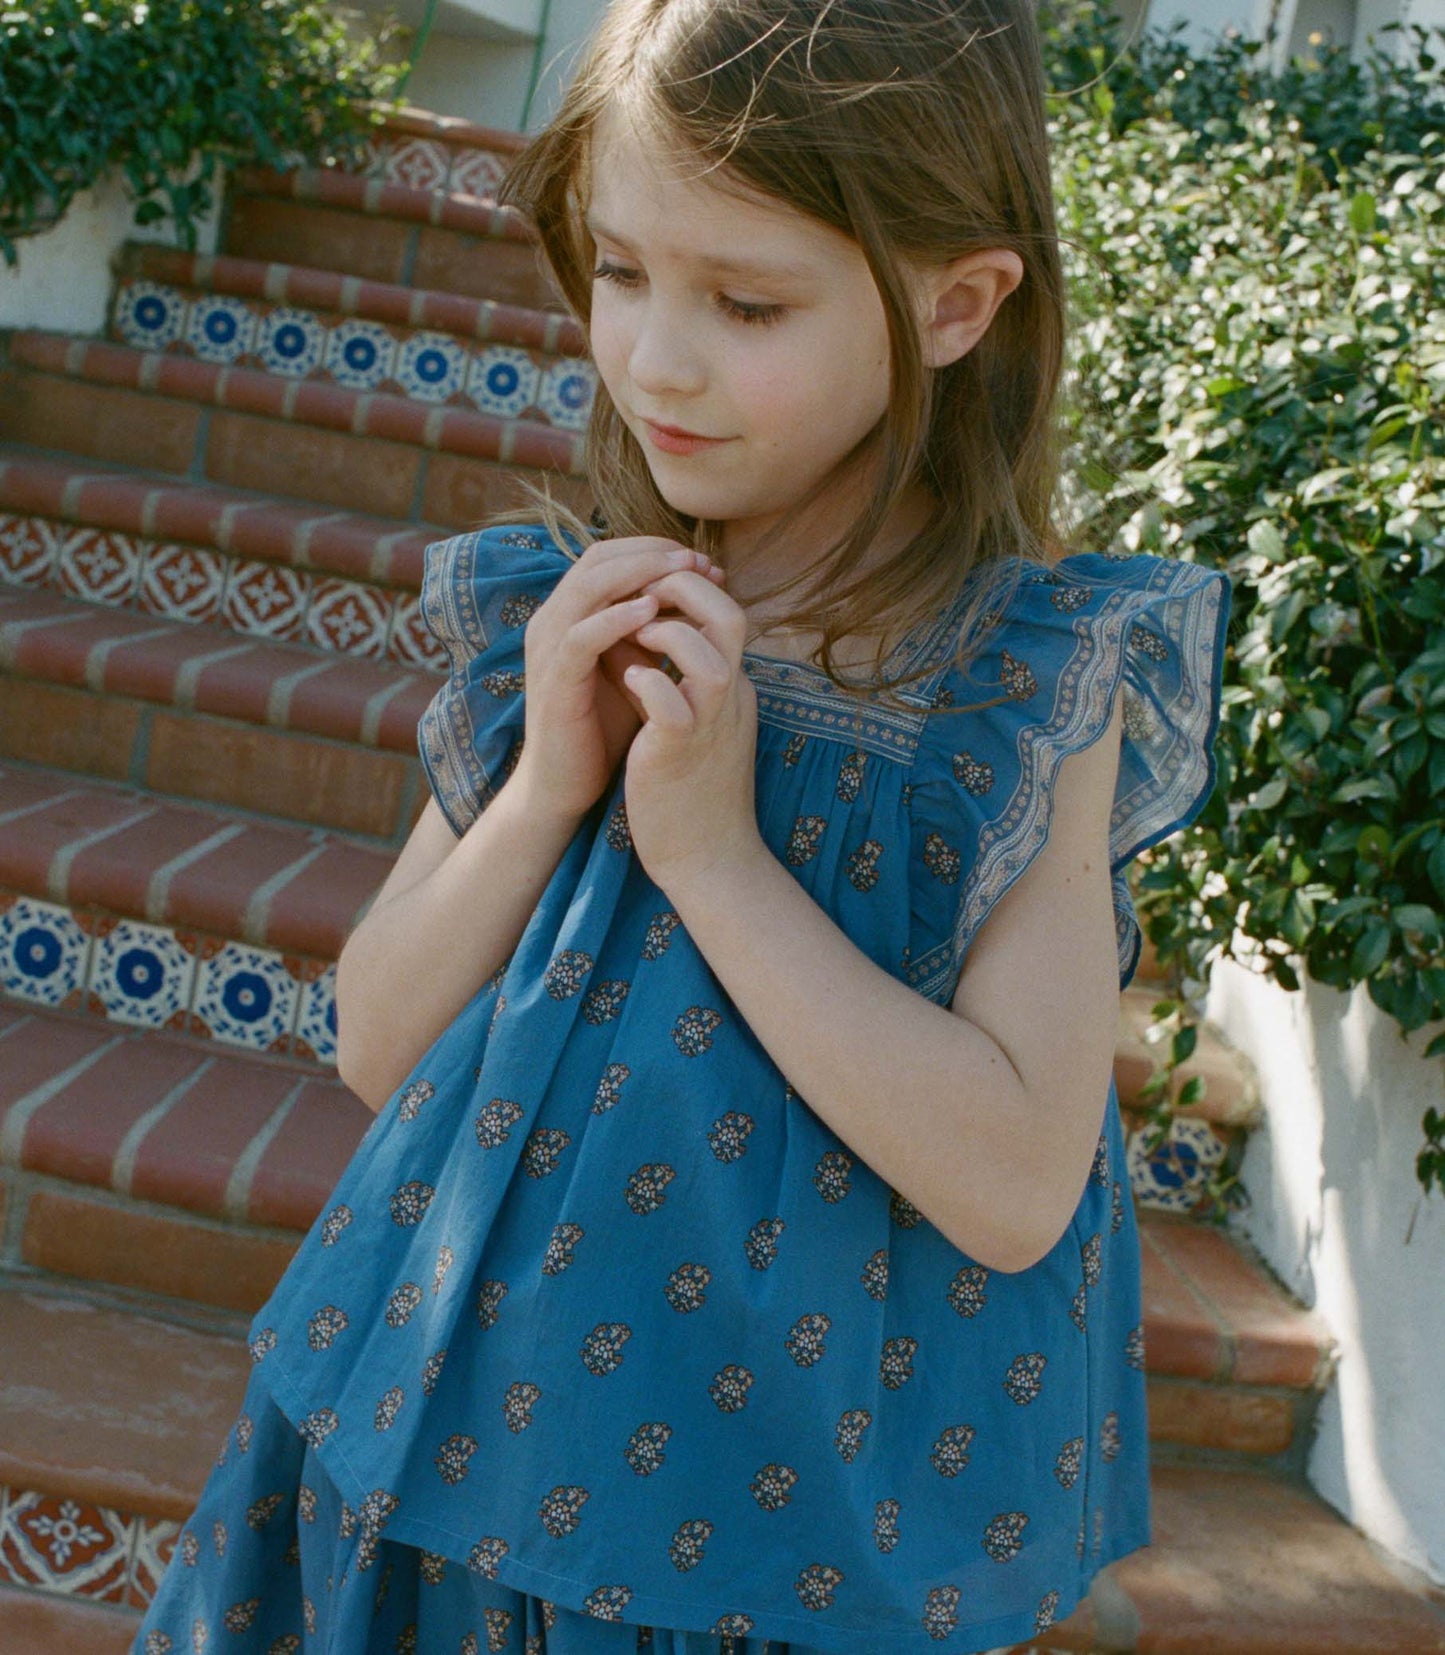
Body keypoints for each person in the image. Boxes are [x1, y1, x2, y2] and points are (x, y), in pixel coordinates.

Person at [133, 0, 1232, 1651]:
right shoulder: (569, 610)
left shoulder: (1021, 690)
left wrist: (714, 855)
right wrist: (552, 784)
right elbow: (373, 1036)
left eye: (746, 299)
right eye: (622, 271)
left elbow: (1011, 1183)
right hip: (419, 1456)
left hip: (763, 1552)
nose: (653, 356)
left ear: (956, 302)